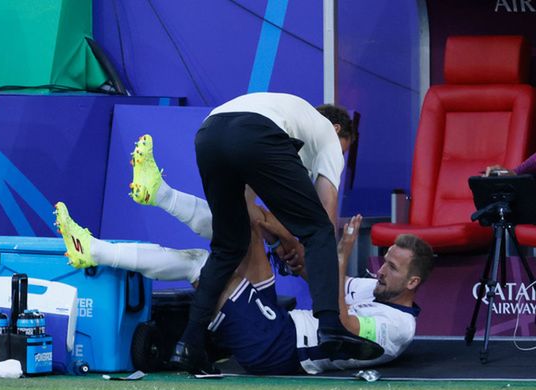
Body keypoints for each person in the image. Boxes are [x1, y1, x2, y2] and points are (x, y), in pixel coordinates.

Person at [53, 200, 433, 375]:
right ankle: (157, 190)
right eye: (384, 261)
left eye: (392, 268)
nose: (380, 270)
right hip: (280, 325)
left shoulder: (398, 327)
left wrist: (341, 253)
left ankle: (95, 251)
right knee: (245, 221)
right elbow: (323, 281)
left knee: (201, 265)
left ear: (412, 283)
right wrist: (284, 242)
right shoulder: (377, 289)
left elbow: (343, 325)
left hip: (279, 350)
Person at [144, 92, 371, 373]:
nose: (337, 159)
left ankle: (189, 345)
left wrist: (281, 241)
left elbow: (249, 205)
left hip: (208, 134)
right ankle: (330, 328)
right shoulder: (326, 134)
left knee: (228, 247)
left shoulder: (290, 130)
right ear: (337, 129)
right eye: (343, 150)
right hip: (252, 131)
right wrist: (305, 246)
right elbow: (324, 214)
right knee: (320, 230)